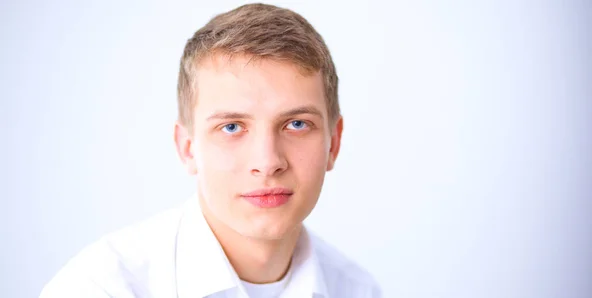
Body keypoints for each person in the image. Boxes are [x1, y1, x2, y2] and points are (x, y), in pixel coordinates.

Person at [40, 3, 381, 297]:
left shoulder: (358, 291)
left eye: (296, 124)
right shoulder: (100, 289)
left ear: (333, 143)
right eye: (231, 127)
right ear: (187, 148)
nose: (267, 162)